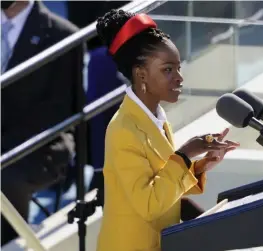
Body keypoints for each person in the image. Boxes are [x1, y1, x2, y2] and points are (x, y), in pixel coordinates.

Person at [95, 9, 239, 251]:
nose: (180, 78)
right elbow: (150, 202)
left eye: (178, 68)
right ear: (141, 75)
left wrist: (203, 164)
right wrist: (184, 155)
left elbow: (165, 186)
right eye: (168, 70)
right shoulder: (123, 129)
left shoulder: (156, 120)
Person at [1, 0, 84, 245]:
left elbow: (58, 112)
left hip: (41, 145)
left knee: (6, 176)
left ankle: (10, 243)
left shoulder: (63, 35)